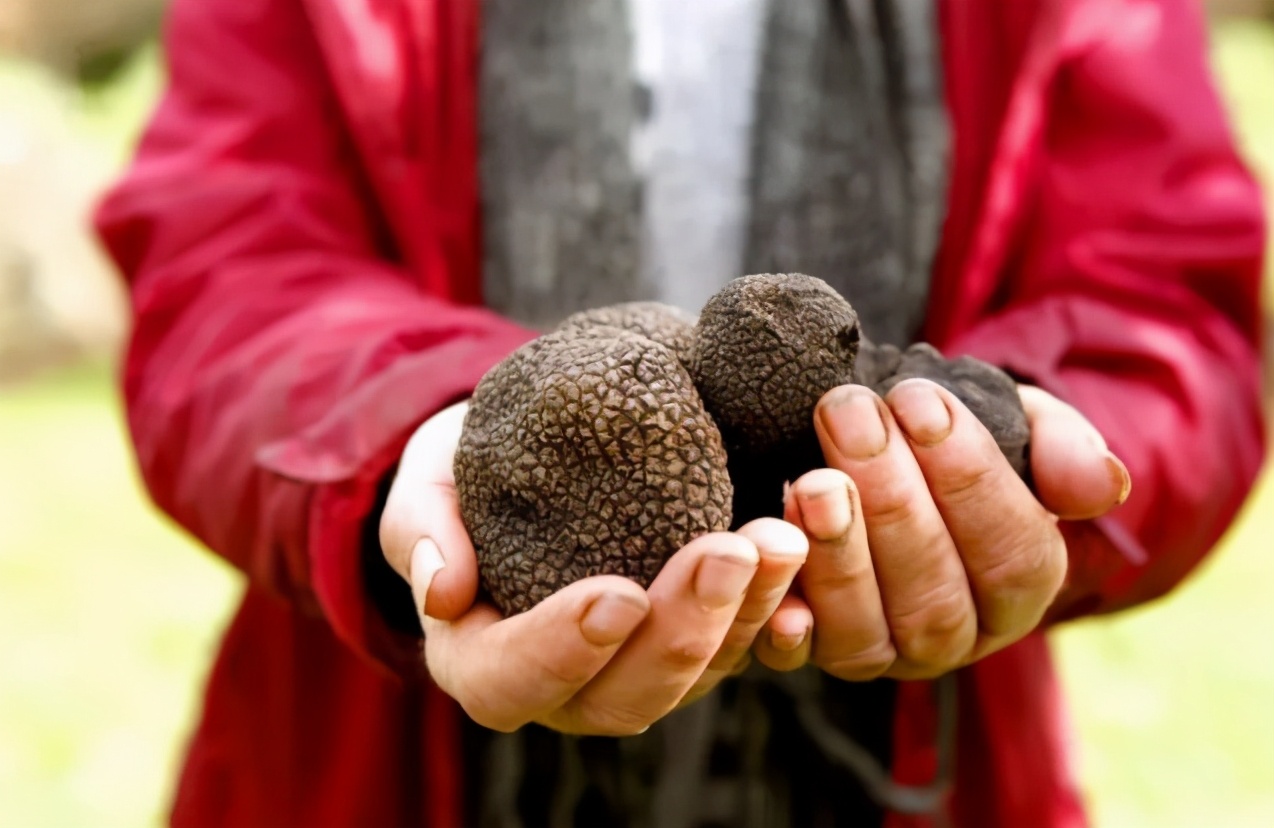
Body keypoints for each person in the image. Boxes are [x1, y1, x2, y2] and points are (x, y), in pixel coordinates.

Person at [95, 0, 1266, 826]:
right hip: (366, 764)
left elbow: (1162, 294)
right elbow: (223, 269)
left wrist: (1039, 453)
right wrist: (414, 434)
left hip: (930, 774)